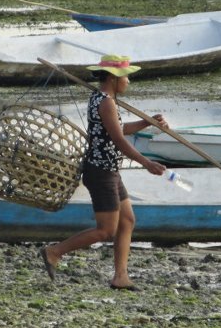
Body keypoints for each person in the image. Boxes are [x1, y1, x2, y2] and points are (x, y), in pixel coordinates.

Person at [40, 54, 167, 291]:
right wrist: (146, 162)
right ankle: (54, 251)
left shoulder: (104, 98)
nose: (128, 81)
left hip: (110, 171)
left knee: (127, 220)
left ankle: (120, 277)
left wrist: (147, 123)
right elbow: (119, 139)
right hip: (101, 172)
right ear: (112, 77)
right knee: (106, 230)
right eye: (125, 76)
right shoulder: (105, 101)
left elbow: (117, 129)